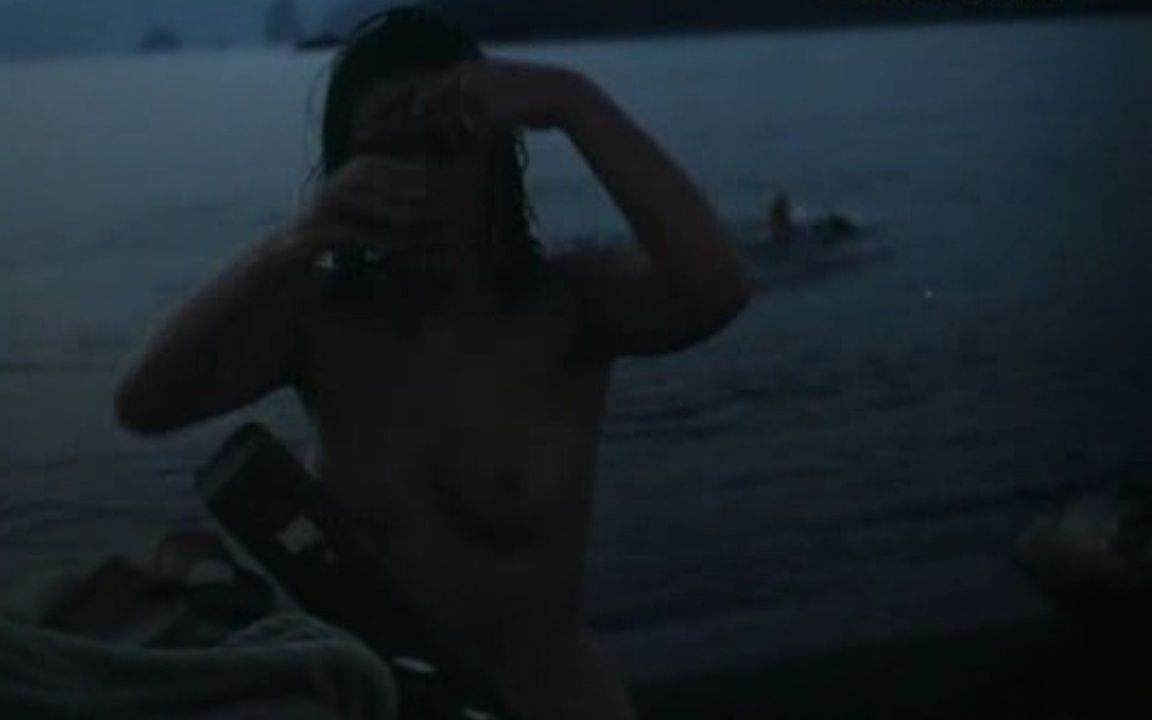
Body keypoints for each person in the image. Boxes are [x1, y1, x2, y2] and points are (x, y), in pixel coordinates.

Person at [113, 6, 751, 719]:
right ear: (345, 172)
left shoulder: (564, 308)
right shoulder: (320, 323)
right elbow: (143, 405)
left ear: (497, 162)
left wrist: (572, 100)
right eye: (390, 151)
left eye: (448, 145)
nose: (421, 178)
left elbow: (717, 290)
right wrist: (295, 239)